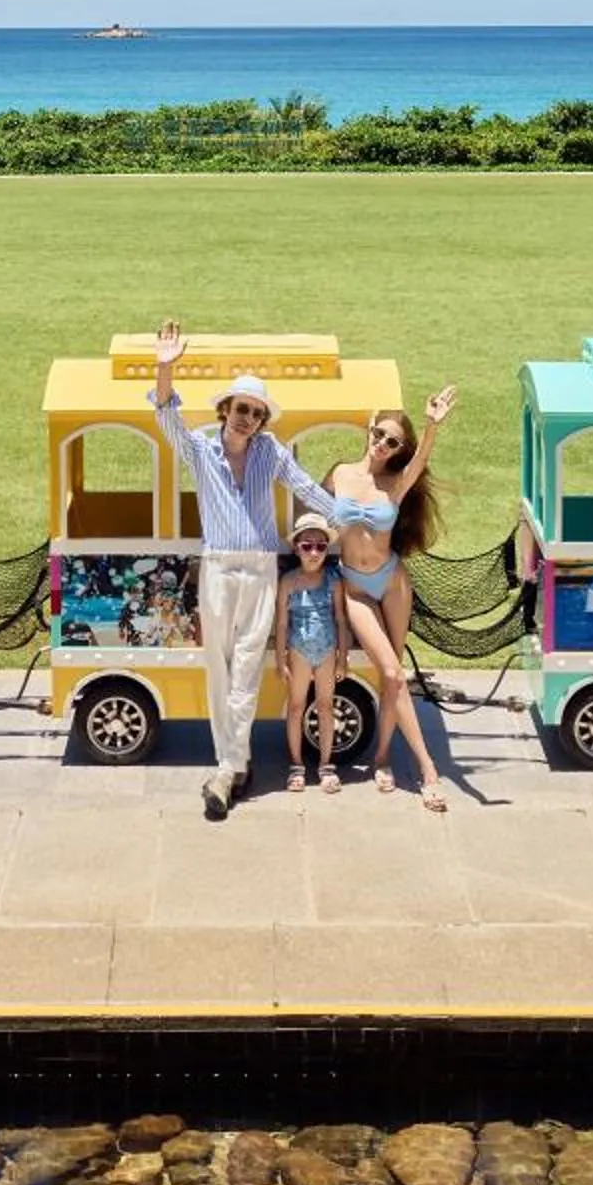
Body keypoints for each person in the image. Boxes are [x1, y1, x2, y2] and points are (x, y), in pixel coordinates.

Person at [150, 320, 349, 819]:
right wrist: (165, 367)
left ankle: (226, 771)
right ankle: (233, 764)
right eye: (242, 410)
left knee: (246, 669)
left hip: (259, 569)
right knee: (218, 668)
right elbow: (165, 416)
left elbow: (307, 489)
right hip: (218, 567)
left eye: (257, 414)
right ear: (226, 410)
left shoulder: (270, 452)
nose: (248, 420)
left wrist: (352, 520)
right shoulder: (200, 446)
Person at [326, 388, 457, 810]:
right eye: (380, 433)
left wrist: (433, 424)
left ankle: (382, 758)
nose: (382, 443)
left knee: (391, 676)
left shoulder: (395, 483)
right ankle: (428, 769)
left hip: (393, 579)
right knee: (396, 675)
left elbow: (420, 465)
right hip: (357, 587)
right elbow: (305, 508)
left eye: (393, 441)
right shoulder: (339, 474)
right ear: (369, 428)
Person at [277, 513, 348, 795]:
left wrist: (343, 656)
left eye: (320, 546)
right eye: (307, 546)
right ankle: (296, 766)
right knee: (295, 706)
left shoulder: (333, 580)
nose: (314, 552)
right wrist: (281, 659)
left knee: (325, 706)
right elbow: (282, 622)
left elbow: (341, 619)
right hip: (299, 649)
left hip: (327, 649)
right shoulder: (289, 582)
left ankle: (326, 764)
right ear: (296, 548)